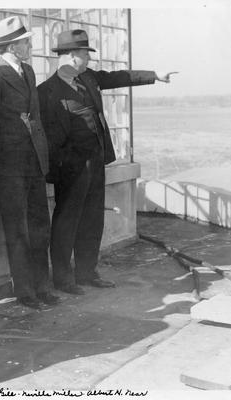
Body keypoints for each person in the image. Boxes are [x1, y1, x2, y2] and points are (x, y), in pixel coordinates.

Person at [38, 30, 177, 294]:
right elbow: (50, 139)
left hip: (96, 162)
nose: (87, 60)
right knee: (67, 222)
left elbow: (118, 77)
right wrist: (62, 168)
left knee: (92, 220)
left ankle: (87, 273)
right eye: (83, 55)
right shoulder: (47, 91)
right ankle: (64, 280)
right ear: (68, 56)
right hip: (70, 168)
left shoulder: (88, 79)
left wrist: (154, 76)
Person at [0, 16, 59, 309]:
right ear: (12, 46)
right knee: (18, 231)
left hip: (33, 166)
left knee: (40, 226)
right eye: (26, 41)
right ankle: (25, 292)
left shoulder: (28, 71)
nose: (30, 44)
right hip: (9, 170)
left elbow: (35, 118)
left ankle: (42, 287)